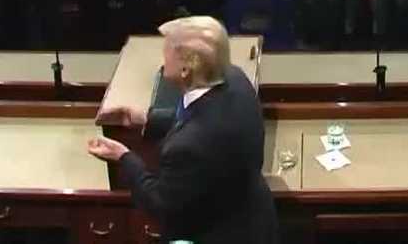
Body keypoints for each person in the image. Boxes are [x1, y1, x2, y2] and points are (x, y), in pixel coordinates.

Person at [87, 17, 279, 244]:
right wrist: (148, 120)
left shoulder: (186, 148)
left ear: (187, 68)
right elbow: (207, 121)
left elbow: (161, 204)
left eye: (167, 52)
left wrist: (124, 157)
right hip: (256, 220)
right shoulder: (237, 80)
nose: (162, 58)